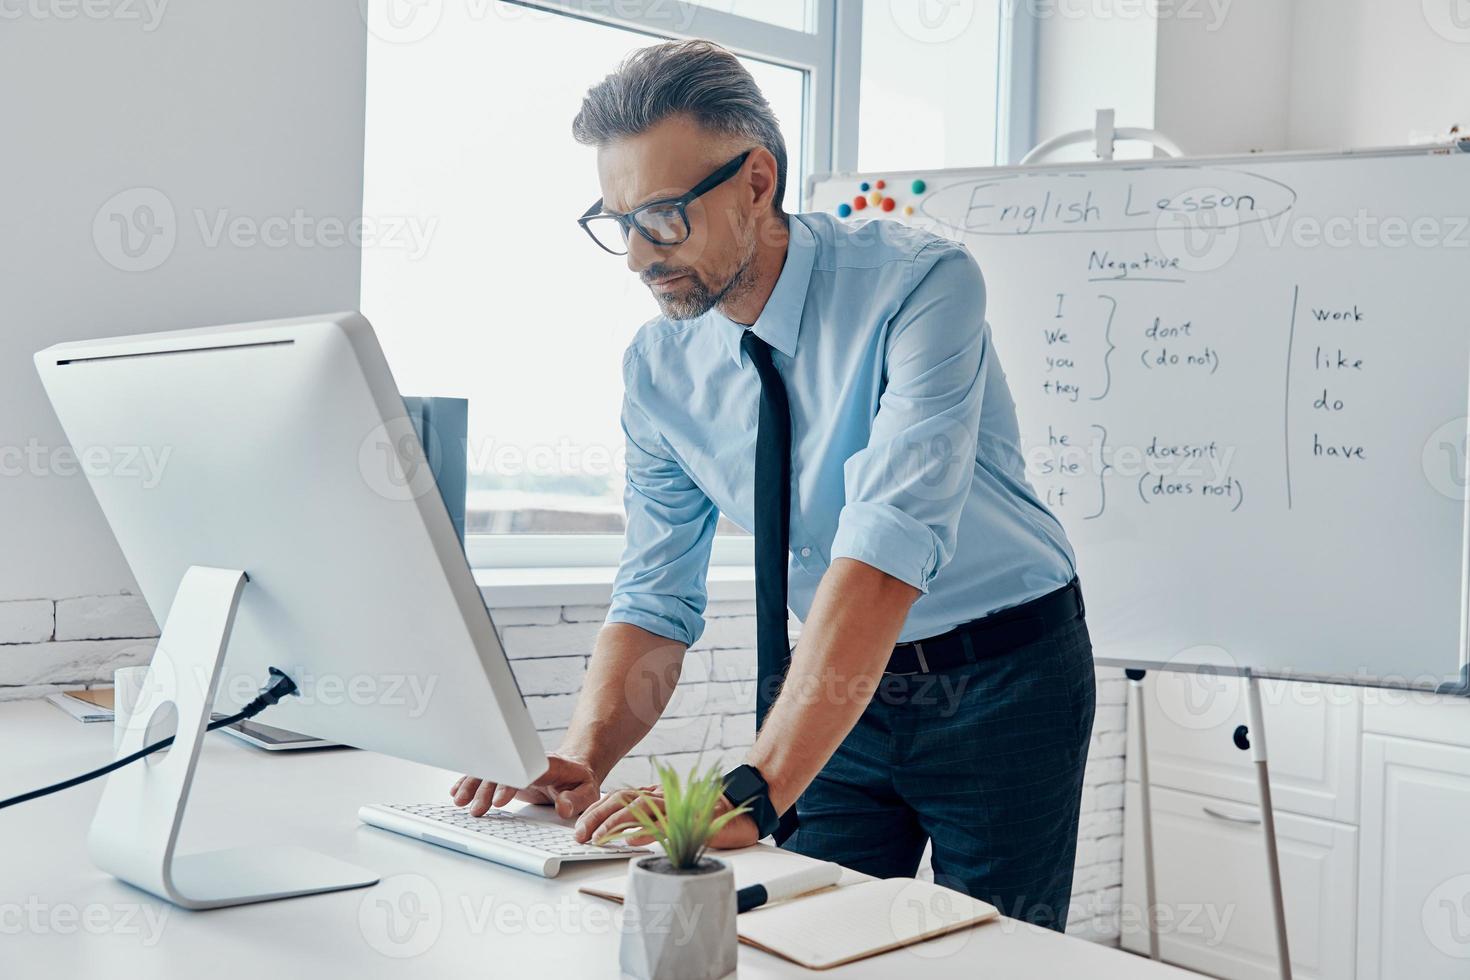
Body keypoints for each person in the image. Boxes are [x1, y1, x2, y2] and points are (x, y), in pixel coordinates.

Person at [451, 39, 1095, 930]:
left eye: (665, 216)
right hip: (832, 687)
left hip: (1002, 674)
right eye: (619, 220)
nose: (637, 256)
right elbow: (653, 596)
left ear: (758, 182)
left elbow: (884, 545)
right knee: (804, 932)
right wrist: (582, 755)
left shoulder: (922, 284)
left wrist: (755, 786)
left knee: (986, 948)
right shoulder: (659, 368)